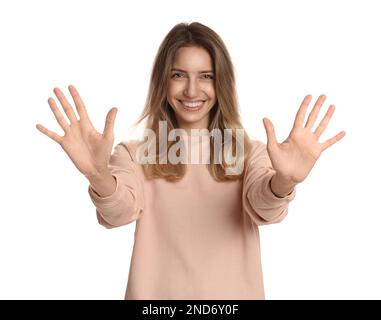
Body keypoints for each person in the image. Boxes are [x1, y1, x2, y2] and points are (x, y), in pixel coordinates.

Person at [36, 22, 345, 299]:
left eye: (206, 76)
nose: (192, 90)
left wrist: (285, 180)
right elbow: (119, 212)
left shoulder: (251, 154)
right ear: (163, 82)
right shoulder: (134, 154)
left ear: (221, 83)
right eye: (178, 75)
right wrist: (98, 174)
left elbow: (265, 205)